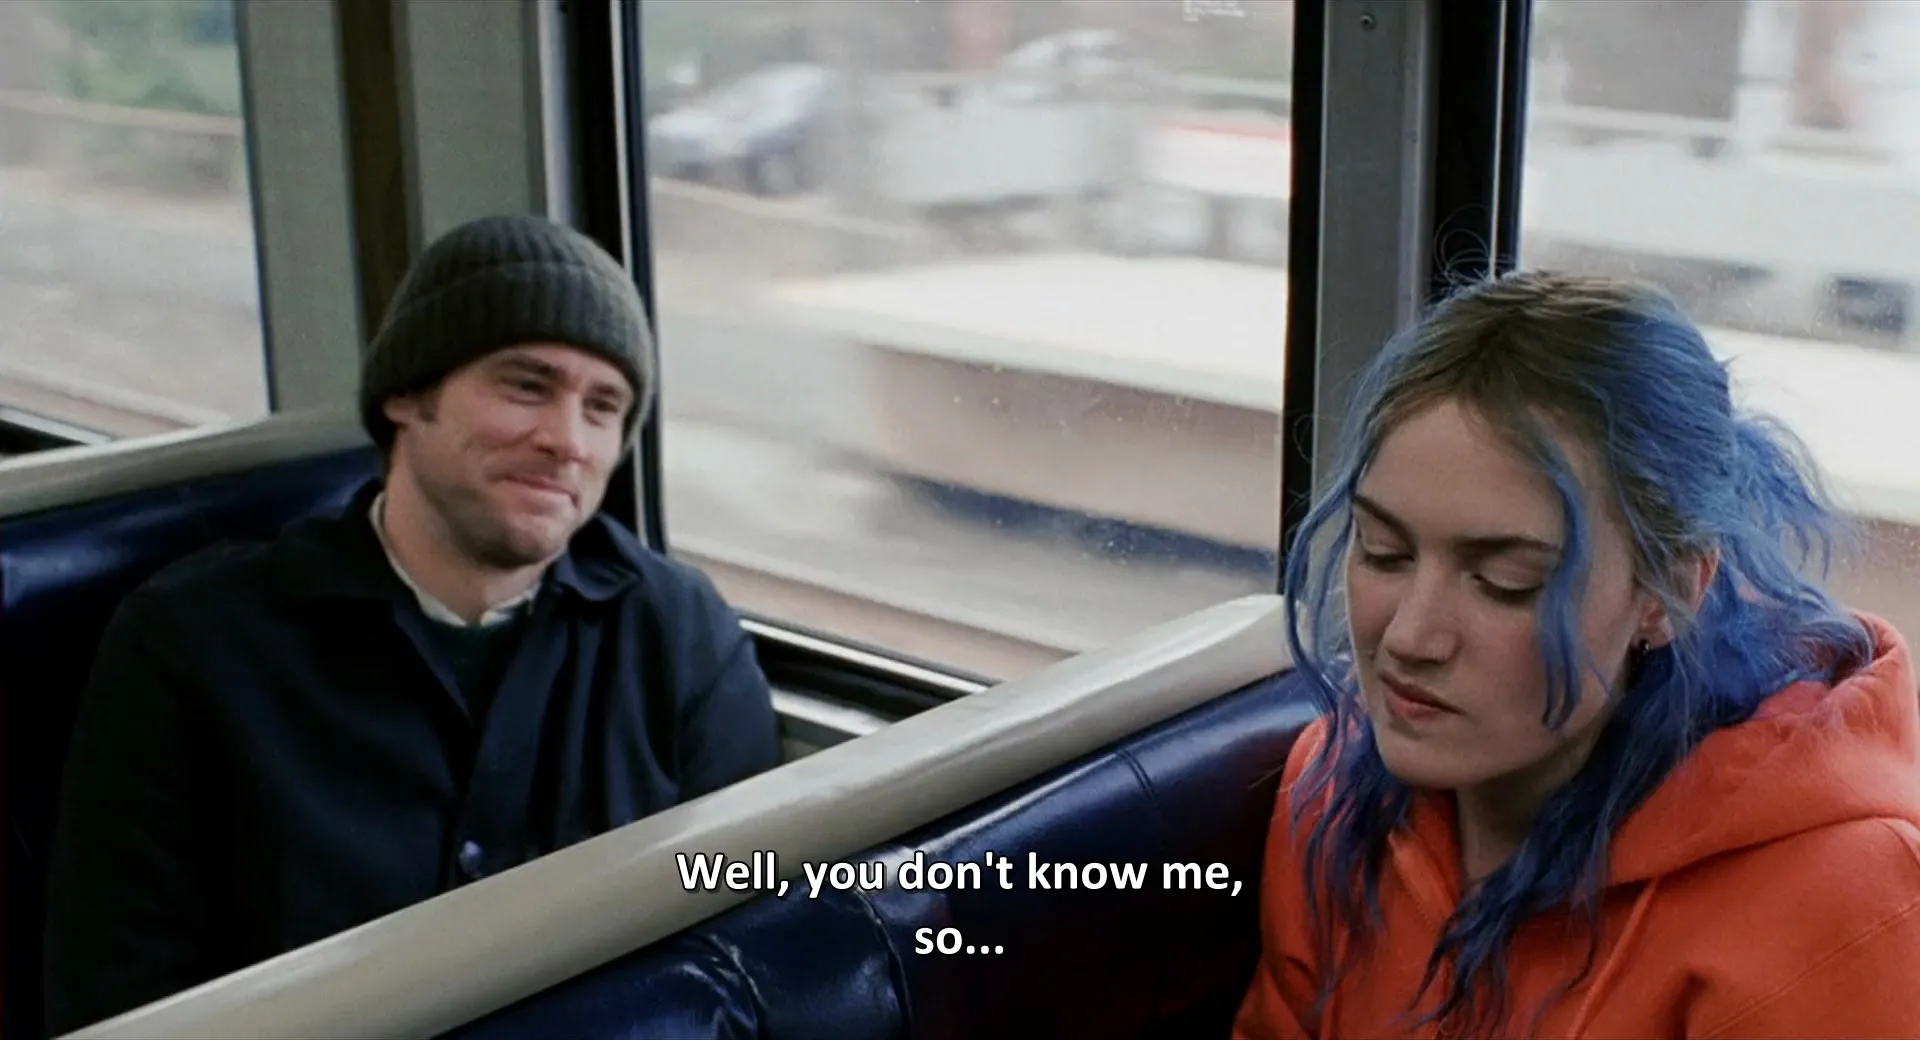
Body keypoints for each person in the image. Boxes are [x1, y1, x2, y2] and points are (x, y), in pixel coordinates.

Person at [43, 214, 783, 1035]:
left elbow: (751, 938)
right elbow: (122, 997)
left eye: (603, 407)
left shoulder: (680, 635)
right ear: (405, 395)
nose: (566, 440)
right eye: (525, 386)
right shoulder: (195, 644)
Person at [1233, 271, 1920, 1039]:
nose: (1409, 638)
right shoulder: (1334, 788)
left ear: (1668, 592)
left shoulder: (1839, 909)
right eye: (1383, 551)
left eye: (1506, 582)